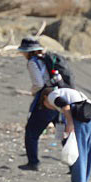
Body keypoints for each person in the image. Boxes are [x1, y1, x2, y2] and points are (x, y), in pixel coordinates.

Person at [44, 88, 91, 182]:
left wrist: (70, 124)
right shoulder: (68, 92)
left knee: (78, 154)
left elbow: (65, 105)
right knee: (87, 154)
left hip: (81, 117)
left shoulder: (52, 96)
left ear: (44, 98)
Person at [18, 37, 57, 171]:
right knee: (64, 130)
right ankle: (74, 164)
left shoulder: (32, 62)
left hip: (46, 98)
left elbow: (38, 84)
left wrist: (33, 92)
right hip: (59, 96)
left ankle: (33, 162)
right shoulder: (46, 59)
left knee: (31, 132)